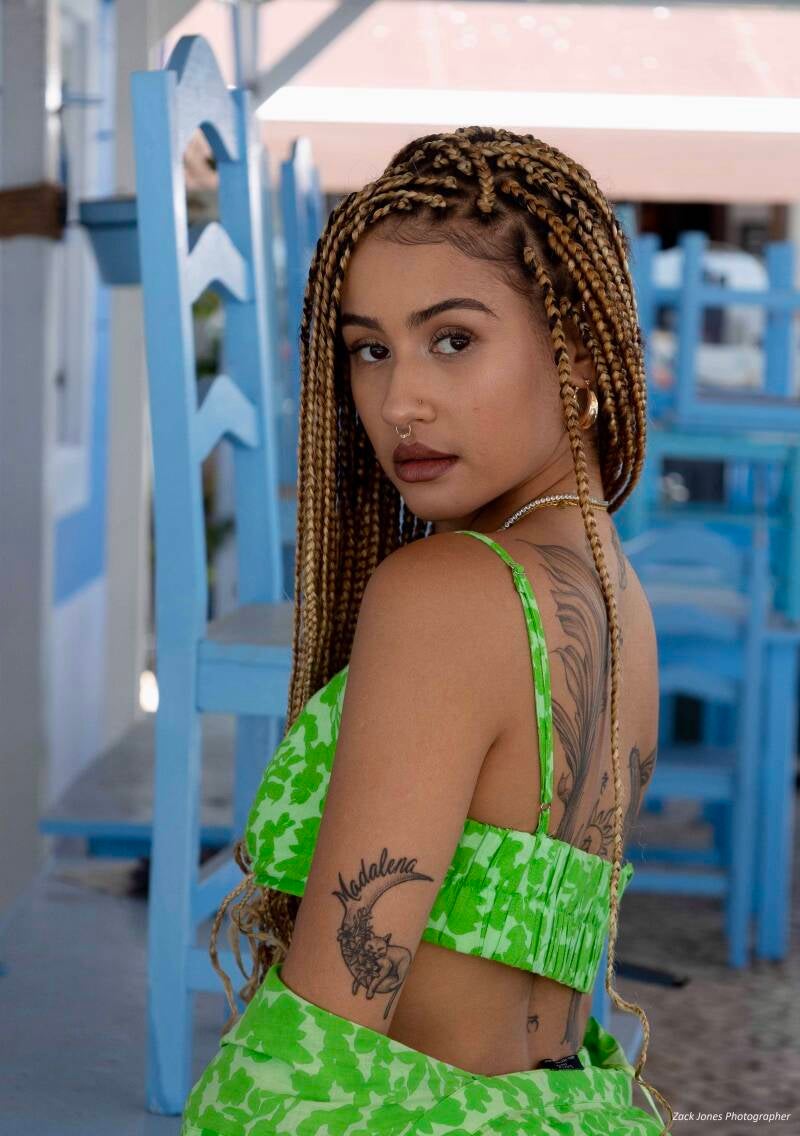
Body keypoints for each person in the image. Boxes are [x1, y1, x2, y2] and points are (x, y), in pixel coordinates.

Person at [180, 125, 674, 1134]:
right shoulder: (618, 598)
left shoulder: (444, 594)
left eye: (452, 339)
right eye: (370, 349)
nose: (398, 400)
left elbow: (316, 1052)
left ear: (577, 345)